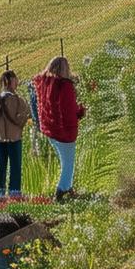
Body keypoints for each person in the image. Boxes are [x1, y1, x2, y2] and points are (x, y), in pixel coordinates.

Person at [32, 56, 85, 202]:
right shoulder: (64, 85)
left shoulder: (44, 84)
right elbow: (68, 109)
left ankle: (68, 188)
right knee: (68, 164)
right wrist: (80, 111)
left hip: (50, 129)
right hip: (64, 131)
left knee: (65, 162)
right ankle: (60, 193)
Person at [0, 70, 32, 200]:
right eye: (16, 80)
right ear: (12, 81)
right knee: (15, 165)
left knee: (1, 164)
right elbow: (28, 114)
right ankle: (14, 193)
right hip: (15, 137)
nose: (17, 82)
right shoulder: (17, 100)